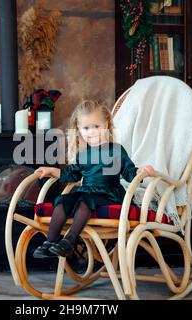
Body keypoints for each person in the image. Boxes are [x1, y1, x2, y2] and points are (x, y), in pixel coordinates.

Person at [33, 100, 155, 258]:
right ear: (79, 130)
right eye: (86, 128)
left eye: (96, 127)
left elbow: (129, 172)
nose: (91, 132)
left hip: (109, 194)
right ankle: (50, 242)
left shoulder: (115, 150)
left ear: (106, 124)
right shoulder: (82, 153)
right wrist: (53, 170)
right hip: (86, 191)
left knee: (84, 202)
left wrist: (141, 170)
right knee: (63, 200)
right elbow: (72, 175)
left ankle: (70, 241)